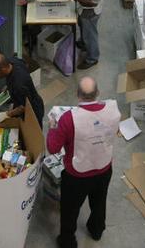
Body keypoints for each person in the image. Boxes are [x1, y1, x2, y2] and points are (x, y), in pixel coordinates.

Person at [46, 77, 120, 247]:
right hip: (104, 168)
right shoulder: (113, 109)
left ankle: (67, 241)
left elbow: (53, 148)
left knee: (70, 210)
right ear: (98, 93)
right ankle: (96, 230)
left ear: (77, 95)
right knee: (99, 202)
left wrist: (52, 127)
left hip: (77, 175)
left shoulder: (67, 119)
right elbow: (115, 131)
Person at [0, 53, 44, 124]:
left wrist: (7, 114)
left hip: (33, 111)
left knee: (34, 131)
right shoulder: (13, 62)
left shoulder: (19, 85)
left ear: (3, 69)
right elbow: (25, 65)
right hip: (25, 95)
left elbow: (23, 107)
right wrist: (9, 85)